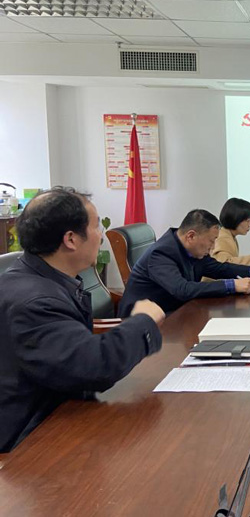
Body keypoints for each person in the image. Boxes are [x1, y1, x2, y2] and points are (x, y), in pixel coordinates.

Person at [0, 187, 165, 453]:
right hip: (27, 444)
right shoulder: (35, 302)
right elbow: (93, 366)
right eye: (96, 226)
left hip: (58, 415)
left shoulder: (42, 279)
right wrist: (143, 321)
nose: (101, 235)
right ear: (71, 239)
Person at [119, 209, 250, 317]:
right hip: (142, 322)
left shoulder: (191, 249)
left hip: (176, 312)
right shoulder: (160, 254)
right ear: (191, 236)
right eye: (211, 241)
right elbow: (182, 289)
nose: (213, 247)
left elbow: (217, 268)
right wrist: (232, 285)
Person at [212, 197, 250, 267]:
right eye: (248, 221)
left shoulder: (228, 235)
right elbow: (224, 265)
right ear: (236, 219)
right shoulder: (223, 238)